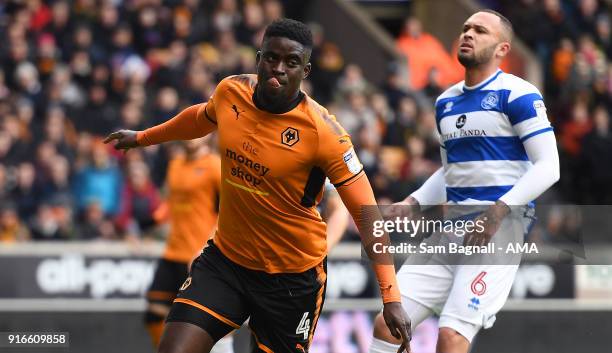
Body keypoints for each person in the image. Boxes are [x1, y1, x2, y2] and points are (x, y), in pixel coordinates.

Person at [105, 18, 412, 353]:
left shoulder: (326, 134)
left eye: (291, 62)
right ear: (258, 58)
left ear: (305, 71)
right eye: (271, 58)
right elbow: (200, 118)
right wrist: (142, 138)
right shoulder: (231, 92)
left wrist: (391, 298)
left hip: (291, 280)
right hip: (227, 261)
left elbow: (367, 215)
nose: (278, 69)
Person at [369, 10, 560, 353]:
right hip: (452, 227)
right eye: (465, 28)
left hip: (499, 231)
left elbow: (549, 166)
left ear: (502, 49)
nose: (468, 34)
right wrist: (413, 202)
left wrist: (498, 213)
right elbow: (451, 170)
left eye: (480, 31)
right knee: (389, 322)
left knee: (452, 336)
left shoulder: (518, 94)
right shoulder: (446, 102)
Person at [144, 137, 233, 353]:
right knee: (154, 313)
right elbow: (170, 204)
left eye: (198, 133)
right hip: (173, 251)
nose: (192, 137)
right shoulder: (175, 165)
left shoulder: (214, 166)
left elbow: (229, 210)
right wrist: (149, 224)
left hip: (201, 254)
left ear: (208, 135)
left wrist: (208, 244)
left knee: (209, 318)